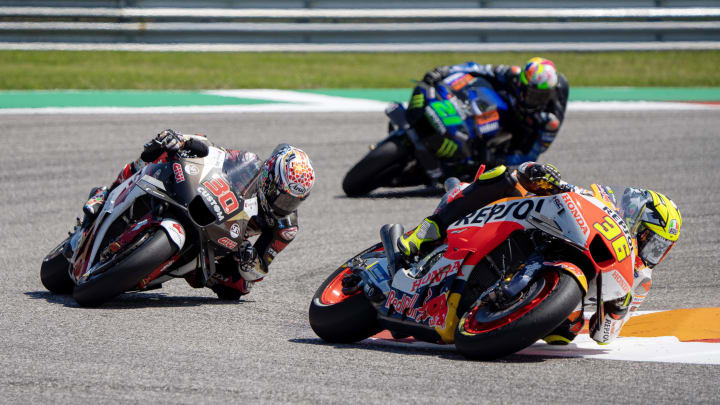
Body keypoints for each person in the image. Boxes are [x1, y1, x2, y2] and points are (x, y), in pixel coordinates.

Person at [396, 162, 682, 345]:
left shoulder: (638, 278)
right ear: (639, 220)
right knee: (507, 177)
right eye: (653, 241)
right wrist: (545, 177)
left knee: (565, 333)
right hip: (528, 227)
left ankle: (498, 312)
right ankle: (426, 230)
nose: (654, 253)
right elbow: (544, 177)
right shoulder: (601, 202)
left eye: (661, 248)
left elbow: (603, 335)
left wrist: (619, 307)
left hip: (555, 293)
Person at [77, 129, 315, 299]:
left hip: (225, 244)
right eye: (283, 196)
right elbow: (212, 150)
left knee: (239, 288)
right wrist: (182, 140)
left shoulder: (286, 228)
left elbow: (261, 268)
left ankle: (166, 267)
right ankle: (106, 192)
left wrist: (250, 259)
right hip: (204, 203)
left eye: (293, 201)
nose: (285, 204)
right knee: (161, 151)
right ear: (269, 177)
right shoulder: (248, 162)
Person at [406, 57, 569, 176]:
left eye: (542, 96)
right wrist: (444, 71)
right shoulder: (511, 74)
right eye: (533, 94)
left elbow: (532, 154)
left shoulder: (548, 120)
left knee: (493, 173)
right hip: (494, 108)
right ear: (522, 84)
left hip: (516, 131)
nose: (536, 100)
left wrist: (501, 161)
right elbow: (477, 68)